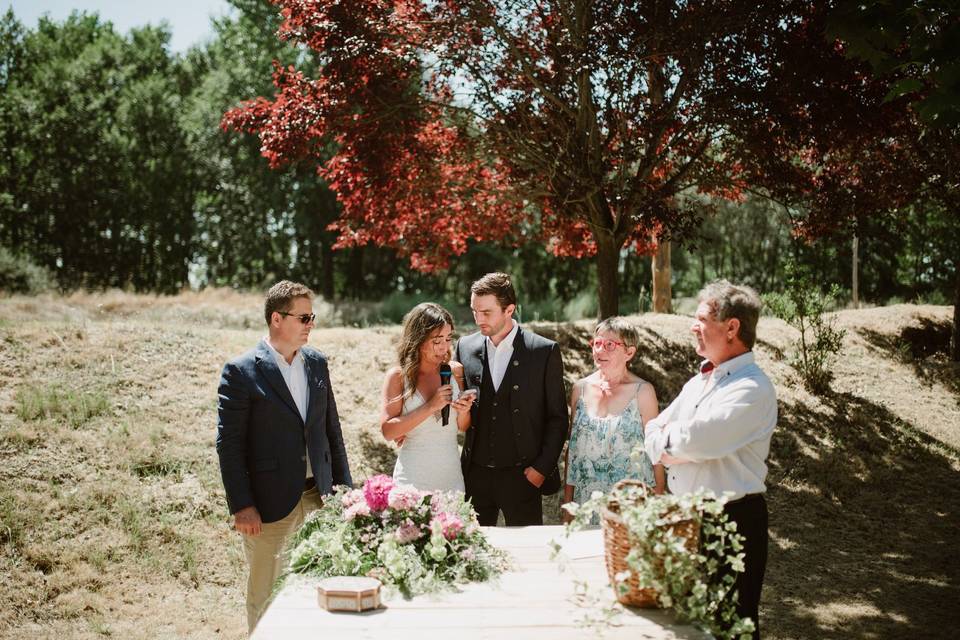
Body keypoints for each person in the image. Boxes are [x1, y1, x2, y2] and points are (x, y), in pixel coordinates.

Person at [216, 280, 352, 634]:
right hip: (268, 503)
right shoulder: (241, 371)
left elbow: (330, 432)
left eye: (312, 317)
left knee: (319, 587)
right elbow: (229, 445)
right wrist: (241, 504)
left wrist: (345, 491)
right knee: (266, 593)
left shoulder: (317, 363)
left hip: (320, 496)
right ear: (277, 318)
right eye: (303, 317)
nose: (310, 325)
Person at [644, 280, 776, 639]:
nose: (693, 326)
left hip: (731, 524)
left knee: (729, 627)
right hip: (687, 520)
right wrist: (669, 448)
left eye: (701, 318)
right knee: (687, 626)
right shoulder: (698, 382)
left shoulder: (752, 388)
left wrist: (670, 447)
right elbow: (653, 428)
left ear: (731, 327)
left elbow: (698, 440)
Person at [455, 272, 568, 526]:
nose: (478, 319)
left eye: (486, 312)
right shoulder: (465, 347)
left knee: (528, 555)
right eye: (475, 311)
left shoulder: (543, 351)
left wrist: (540, 469)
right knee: (473, 555)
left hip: (524, 476)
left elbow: (558, 418)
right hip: (476, 476)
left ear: (509, 310)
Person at [563, 317, 665, 523]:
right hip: (587, 503)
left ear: (629, 352)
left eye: (609, 345)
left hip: (631, 507)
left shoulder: (643, 392)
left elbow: (656, 452)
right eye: (597, 344)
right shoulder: (579, 390)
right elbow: (573, 453)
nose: (600, 351)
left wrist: (658, 500)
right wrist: (568, 507)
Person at [380, 303, 473, 492]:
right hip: (412, 480)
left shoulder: (455, 371)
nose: (444, 347)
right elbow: (388, 431)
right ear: (419, 339)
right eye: (437, 341)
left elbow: (462, 427)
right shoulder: (398, 377)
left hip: (451, 479)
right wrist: (430, 406)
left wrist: (464, 411)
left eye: (448, 339)